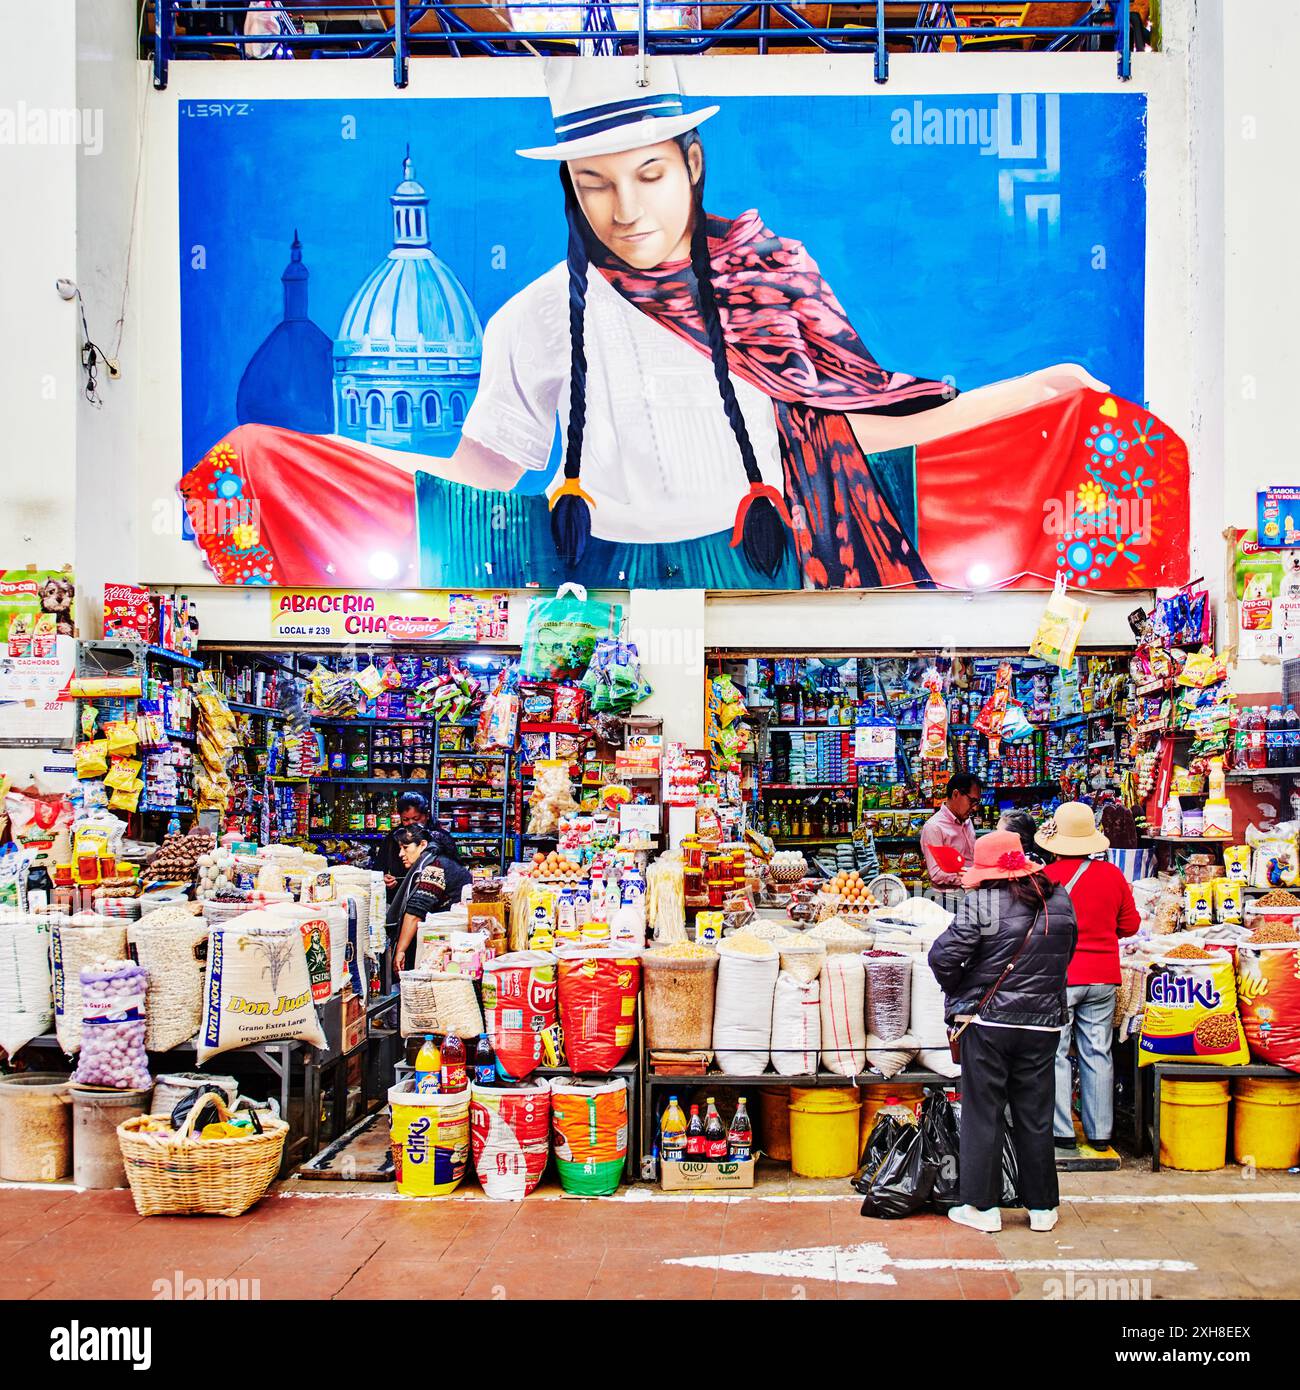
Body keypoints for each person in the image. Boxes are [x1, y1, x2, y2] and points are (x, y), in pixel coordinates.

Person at [927, 829, 1077, 1234]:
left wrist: (961, 988)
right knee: (1035, 1112)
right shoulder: (1059, 901)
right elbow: (1066, 954)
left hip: (990, 1023)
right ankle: (1043, 1207)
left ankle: (982, 1207)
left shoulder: (983, 903)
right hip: (1044, 1024)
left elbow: (942, 955)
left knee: (984, 1112)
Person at [1035, 802, 1140, 1151]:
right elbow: (1130, 926)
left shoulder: (1046, 879)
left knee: (1056, 1052)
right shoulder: (1113, 876)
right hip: (1103, 978)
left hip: (1059, 978)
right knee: (1098, 1052)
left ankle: (1062, 1131)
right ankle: (1100, 1133)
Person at [387, 823, 473, 973]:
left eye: (405, 848)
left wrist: (400, 950)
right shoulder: (439, 860)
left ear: (423, 845)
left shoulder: (435, 867)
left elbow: (415, 912)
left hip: (447, 943)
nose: (401, 854)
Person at [378, 792, 457, 891]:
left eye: (416, 819)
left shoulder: (441, 838)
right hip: (399, 894)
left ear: (427, 815)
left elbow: (454, 871)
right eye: (405, 819)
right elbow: (379, 869)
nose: (411, 823)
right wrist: (383, 879)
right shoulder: (393, 838)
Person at [920, 773, 982, 892]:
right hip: (949, 899)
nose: (975, 808)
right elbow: (937, 874)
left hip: (972, 893)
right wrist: (970, 878)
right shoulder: (934, 827)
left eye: (977, 803)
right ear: (956, 794)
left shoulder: (967, 821)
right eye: (972, 801)